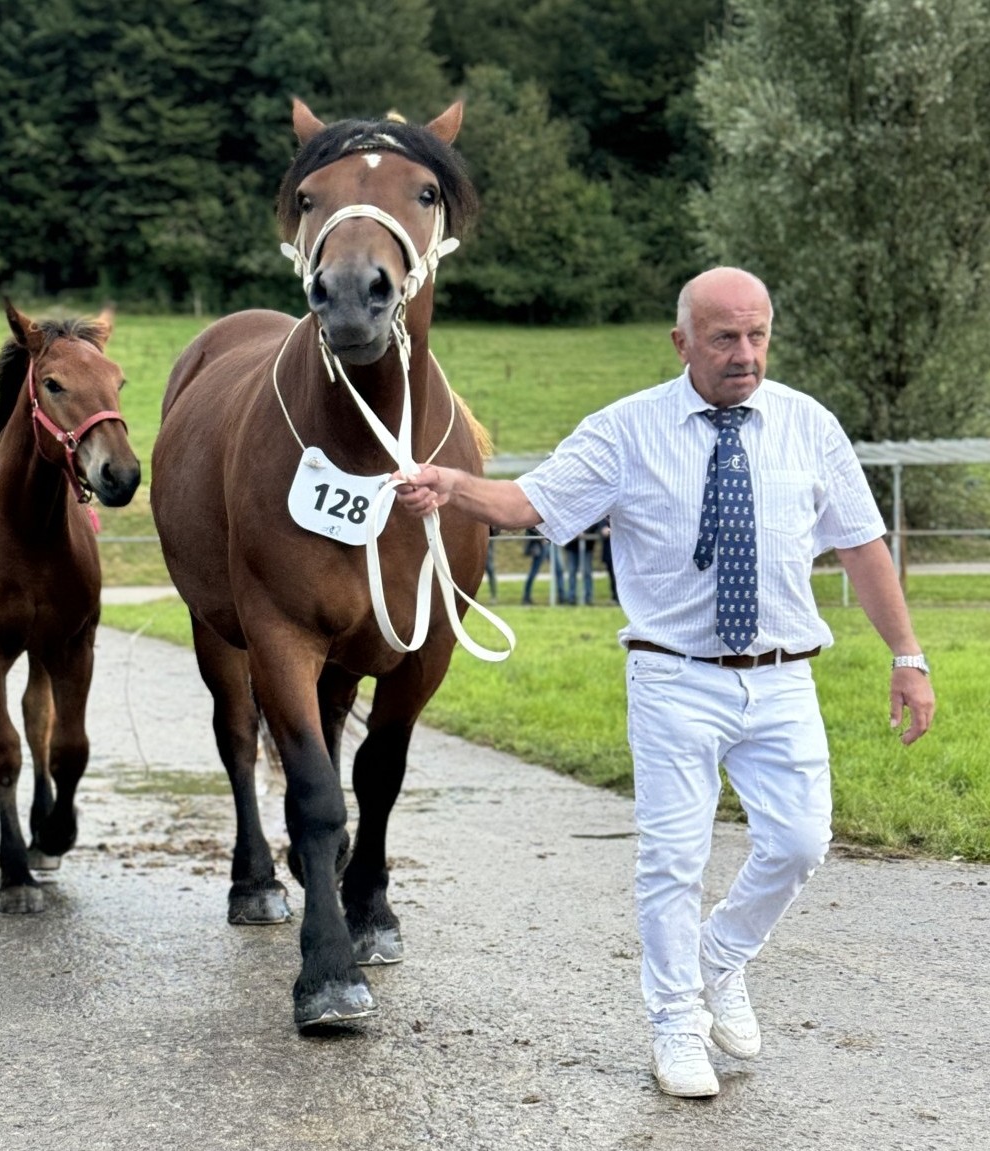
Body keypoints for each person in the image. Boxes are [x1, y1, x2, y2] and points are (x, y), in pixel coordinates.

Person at [393, 267, 935, 1099]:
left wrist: (907, 655)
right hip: (674, 677)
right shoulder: (627, 431)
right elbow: (527, 502)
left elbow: (862, 545)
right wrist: (454, 485)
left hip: (784, 678)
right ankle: (676, 1024)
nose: (744, 354)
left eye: (757, 335)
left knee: (799, 844)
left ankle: (720, 957)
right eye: (724, 338)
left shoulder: (808, 426)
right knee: (674, 860)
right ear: (682, 342)